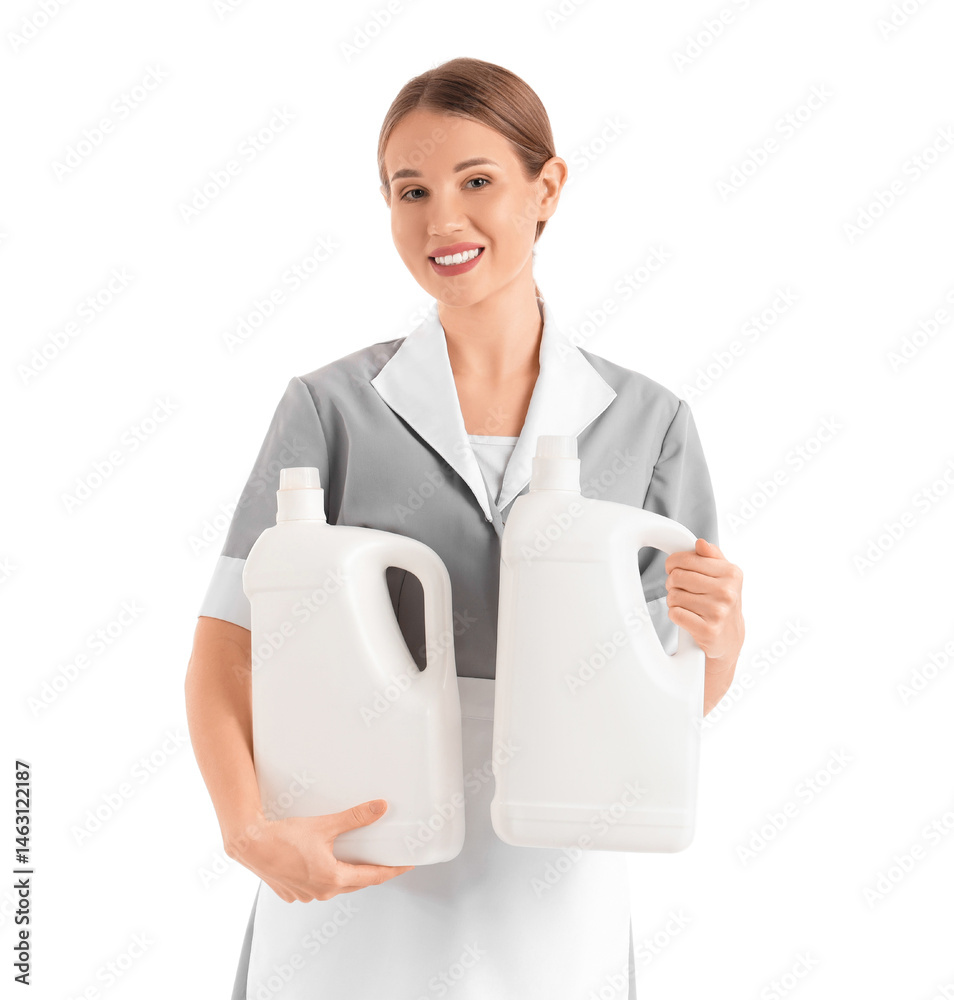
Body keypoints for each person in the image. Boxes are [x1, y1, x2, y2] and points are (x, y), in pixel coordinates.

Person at [185, 56, 745, 999]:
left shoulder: (650, 424)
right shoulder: (330, 410)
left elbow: (669, 699)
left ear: (546, 188)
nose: (442, 219)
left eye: (476, 181)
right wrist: (248, 830)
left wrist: (721, 638)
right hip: (358, 861)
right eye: (412, 191)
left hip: (552, 879)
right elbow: (225, 652)